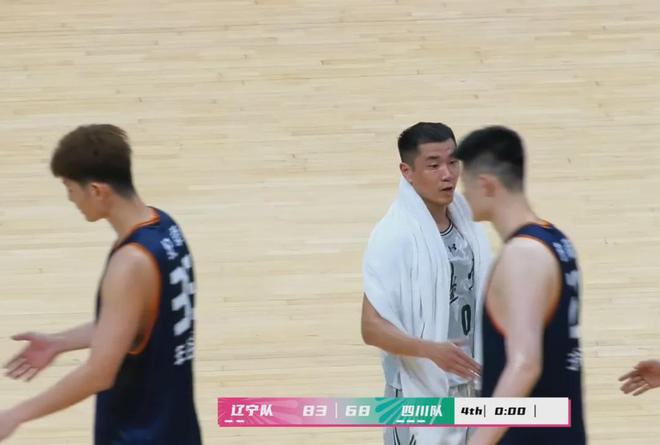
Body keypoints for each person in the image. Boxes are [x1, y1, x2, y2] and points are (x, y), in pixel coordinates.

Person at [0, 125, 202, 444]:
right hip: (177, 428)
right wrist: (59, 342)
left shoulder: (130, 264)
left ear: (96, 191)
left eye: (70, 188)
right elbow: (134, 323)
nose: (70, 198)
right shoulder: (165, 228)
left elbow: (99, 373)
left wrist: (16, 415)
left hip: (138, 434)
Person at [362, 122, 492, 445]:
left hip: (472, 390)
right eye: (433, 165)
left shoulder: (468, 222)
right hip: (415, 395)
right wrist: (430, 351)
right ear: (407, 172)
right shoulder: (394, 236)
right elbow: (371, 327)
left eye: (453, 162)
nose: (447, 174)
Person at [454, 126, 586, 445]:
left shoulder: (523, 255)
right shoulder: (556, 241)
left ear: (486, 185)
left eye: (466, 186)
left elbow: (525, 364)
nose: (463, 196)